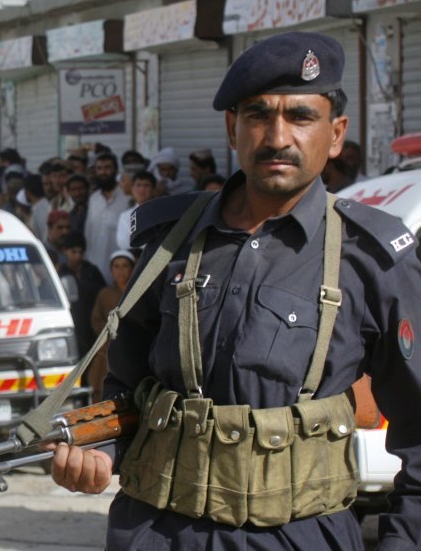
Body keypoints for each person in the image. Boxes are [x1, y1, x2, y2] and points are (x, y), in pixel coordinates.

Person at [50, 31, 421, 549]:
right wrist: (102, 452)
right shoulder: (170, 241)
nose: (276, 137)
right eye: (258, 115)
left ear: (336, 134)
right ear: (232, 128)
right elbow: (128, 381)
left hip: (297, 536)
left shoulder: (370, 258)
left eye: (300, 116)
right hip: (157, 529)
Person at [88, 251, 135, 404]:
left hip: (133, 351)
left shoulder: (138, 292)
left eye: (125, 266)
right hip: (108, 352)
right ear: (111, 270)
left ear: (132, 268)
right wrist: (112, 331)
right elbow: (96, 321)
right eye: (116, 266)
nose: (120, 270)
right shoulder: (105, 294)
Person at [84, 153, 129, 282]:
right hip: (95, 269)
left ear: (116, 170)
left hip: (119, 272)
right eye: (99, 168)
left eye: (107, 168)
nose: (103, 172)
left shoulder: (127, 198)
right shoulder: (94, 199)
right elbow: (88, 235)